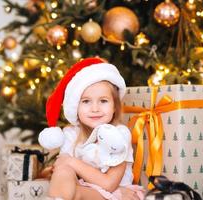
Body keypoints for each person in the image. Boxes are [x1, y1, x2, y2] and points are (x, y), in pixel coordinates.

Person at [38, 57, 145, 200]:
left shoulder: (119, 134)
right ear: (76, 107)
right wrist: (59, 169)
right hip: (83, 189)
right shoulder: (71, 134)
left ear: (115, 107)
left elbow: (109, 184)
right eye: (86, 101)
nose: (95, 109)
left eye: (103, 101)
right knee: (64, 172)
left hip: (117, 193)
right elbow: (65, 172)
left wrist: (70, 161)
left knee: (74, 188)